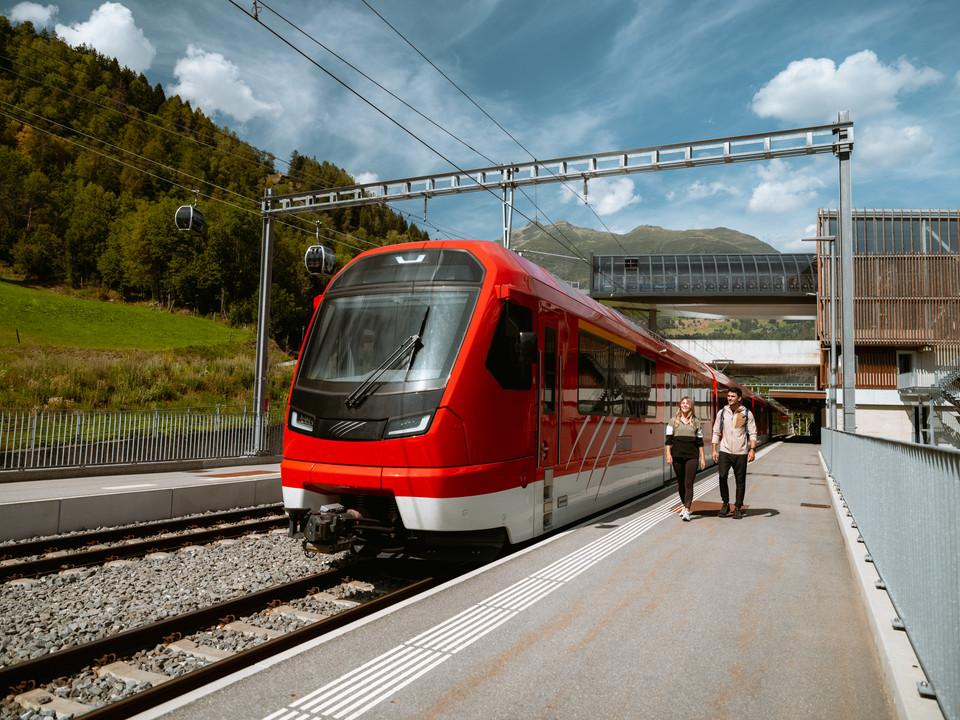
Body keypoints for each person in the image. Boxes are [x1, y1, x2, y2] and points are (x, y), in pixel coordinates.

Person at [711, 387, 757, 519]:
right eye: (728, 396)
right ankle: (725, 503)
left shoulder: (747, 413)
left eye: (732, 396)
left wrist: (752, 450)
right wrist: (714, 449)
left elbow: (753, 433)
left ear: (739, 398)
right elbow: (716, 431)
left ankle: (737, 507)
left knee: (740, 480)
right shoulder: (722, 413)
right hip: (725, 450)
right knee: (722, 476)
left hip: (741, 452)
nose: (729, 398)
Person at [665, 396, 706, 522]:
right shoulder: (673, 421)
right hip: (677, 455)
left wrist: (702, 458)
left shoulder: (696, 422)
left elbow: (700, 442)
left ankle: (687, 510)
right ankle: (684, 505)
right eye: (683, 403)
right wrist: (668, 454)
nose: (685, 405)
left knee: (689, 483)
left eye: (687, 404)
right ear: (680, 405)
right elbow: (668, 440)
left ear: (691, 406)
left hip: (692, 456)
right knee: (681, 483)